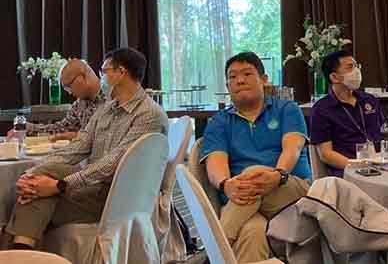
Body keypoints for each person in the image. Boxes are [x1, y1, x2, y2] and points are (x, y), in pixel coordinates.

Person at [4, 48, 168, 250]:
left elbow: (114, 163)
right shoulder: (106, 110)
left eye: (103, 71)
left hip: (118, 198)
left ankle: (17, 252)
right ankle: (22, 251)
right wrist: (32, 175)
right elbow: (77, 148)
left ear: (121, 72)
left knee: (38, 193)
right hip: (93, 189)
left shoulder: (150, 114)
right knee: (37, 188)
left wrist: (60, 185)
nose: (100, 77)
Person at [201, 52, 312, 263]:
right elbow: (215, 162)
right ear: (227, 86)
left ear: (264, 79)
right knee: (252, 231)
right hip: (243, 200)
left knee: (253, 172)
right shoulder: (219, 122)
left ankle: (213, 253)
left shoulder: (286, 109)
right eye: (232, 77)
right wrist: (225, 184)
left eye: (247, 74)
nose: (239, 80)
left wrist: (278, 175)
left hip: (291, 190)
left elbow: (293, 148)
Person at [311, 50, 384, 177]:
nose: (356, 71)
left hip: (379, 164)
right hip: (347, 171)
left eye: (356, 66)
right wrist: (358, 165)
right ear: (334, 77)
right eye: (350, 67)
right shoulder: (321, 109)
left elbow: (386, 132)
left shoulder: (369, 100)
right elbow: (326, 154)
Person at [6, 59, 105, 142]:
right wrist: (29, 128)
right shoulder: (80, 104)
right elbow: (62, 129)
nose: (70, 93)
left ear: (83, 76)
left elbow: (105, 137)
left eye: (69, 86)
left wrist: (77, 136)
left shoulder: (110, 99)